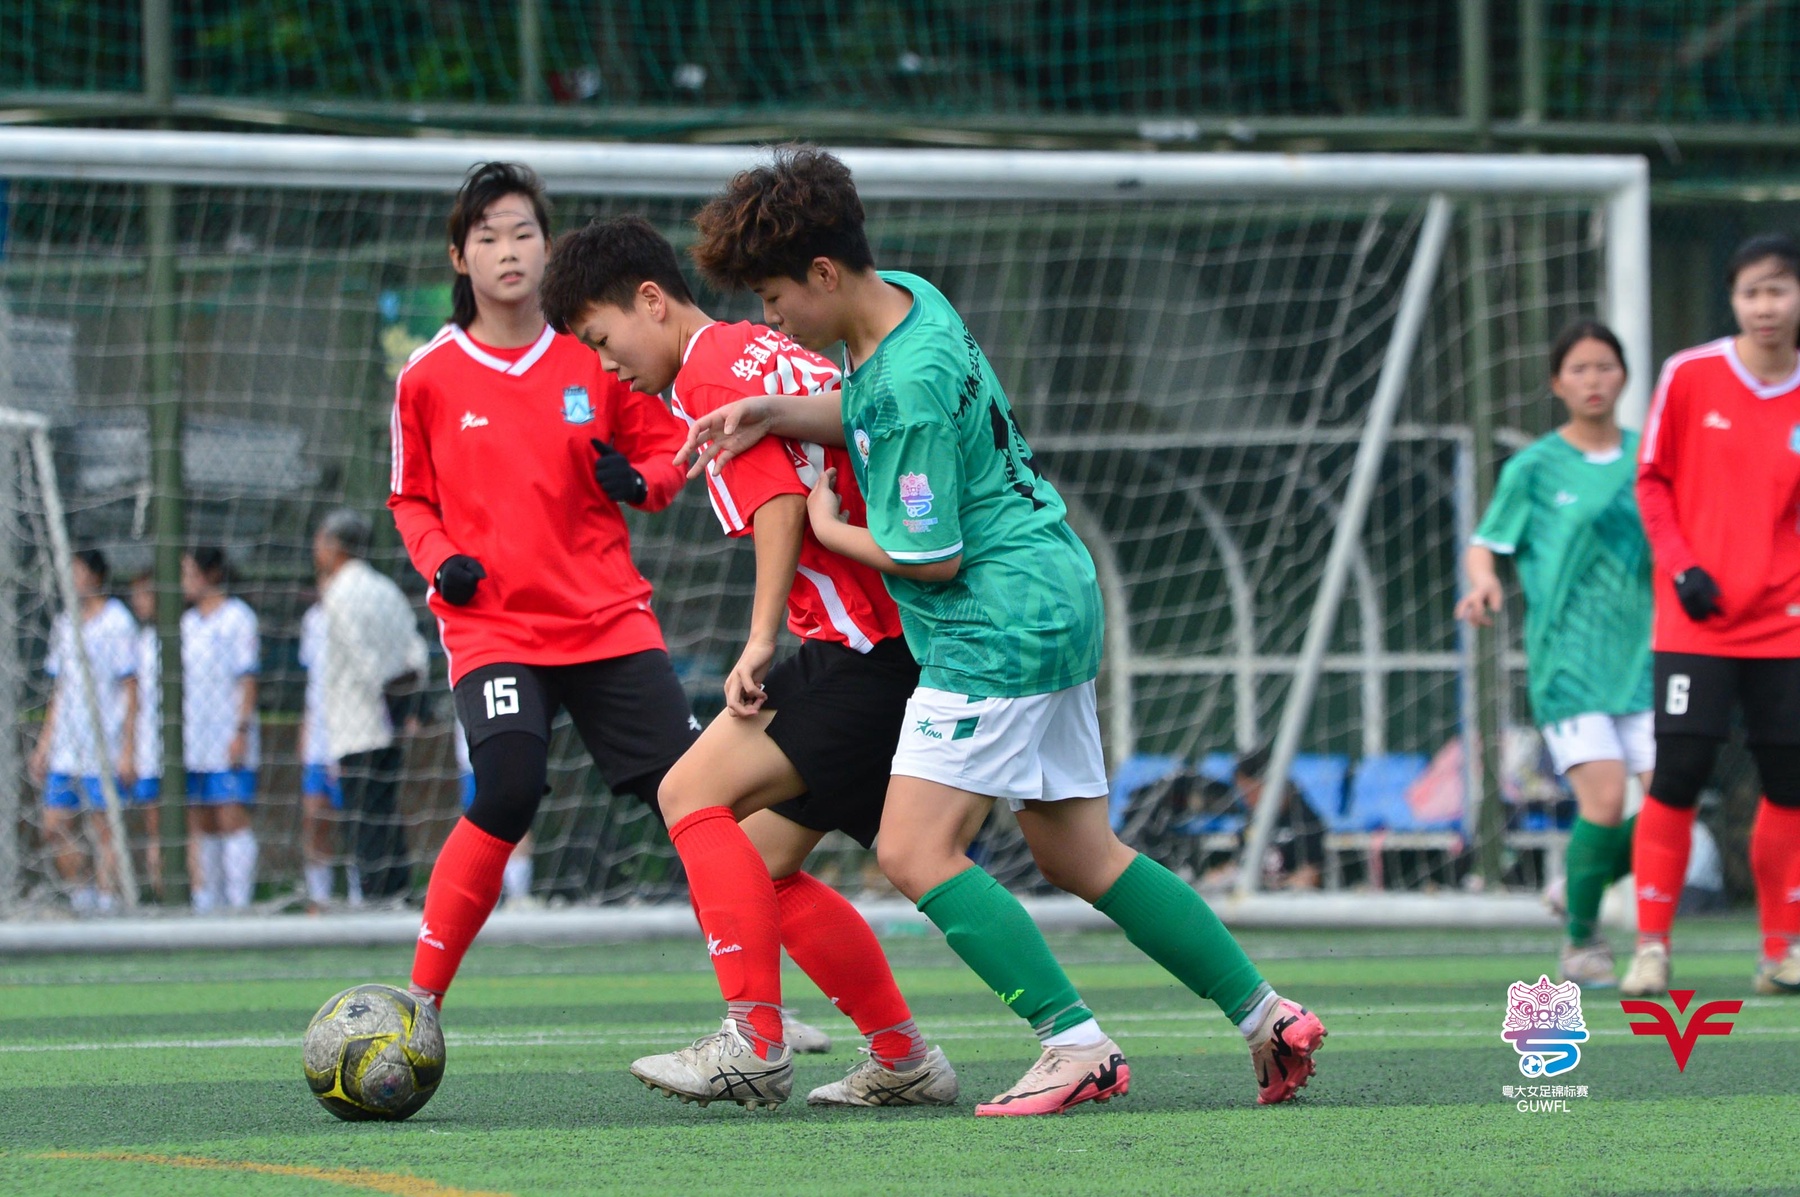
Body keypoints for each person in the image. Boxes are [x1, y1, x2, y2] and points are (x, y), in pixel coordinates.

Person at [675, 145, 1326, 1114]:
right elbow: (861, 408)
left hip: (996, 624)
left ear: (821, 273)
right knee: (1079, 853)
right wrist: (776, 407)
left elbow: (929, 556)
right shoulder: (909, 298)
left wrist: (824, 525)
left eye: (773, 296)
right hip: (1056, 588)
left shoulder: (907, 387)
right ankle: (1266, 1014)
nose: (769, 319)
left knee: (913, 851)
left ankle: (1074, 1046)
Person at [540, 215, 959, 1109]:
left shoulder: (708, 371)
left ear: (651, 301)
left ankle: (752, 1042)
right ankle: (903, 1055)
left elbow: (778, 504)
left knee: (686, 794)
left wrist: (761, 637)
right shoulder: (752, 348)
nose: (604, 364)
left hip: (866, 651)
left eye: (601, 338)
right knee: (765, 863)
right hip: (886, 643)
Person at [389, 161, 701, 1011]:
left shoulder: (597, 354)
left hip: (607, 618)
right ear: (460, 258)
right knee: (509, 787)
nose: (508, 250)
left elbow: (669, 446)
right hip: (493, 629)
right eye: (486, 236)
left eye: (523, 231)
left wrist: (643, 483)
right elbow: (409, 497)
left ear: (549, 245)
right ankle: (419, 1005)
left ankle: (764, 1004)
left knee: (700, 795)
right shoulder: (427, 375)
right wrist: (439, 557)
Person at [1629, 232, 1800, 998]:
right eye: (1751, 291)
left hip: (1788, 622)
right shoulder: (1690, 374)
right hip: (1697, 620)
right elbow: (1652, 480)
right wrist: (1685, 566)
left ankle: (1781, 948)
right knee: (1680, 771)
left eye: (1780, 289)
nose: (1766, 305)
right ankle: (1652, 947)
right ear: (1733, 300)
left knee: (1789, 780)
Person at [1455, 320, 1651, 988]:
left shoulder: (1652, 455)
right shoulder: (1535, 466)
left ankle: (1579, 881)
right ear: (1556, 383)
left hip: (1650, 659)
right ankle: (1583, 941)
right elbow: (1486, 542)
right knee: (1601, 802)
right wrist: (1483, 580)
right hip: (1568, 663)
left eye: (1605, 366)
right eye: (1579, 369)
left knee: (1668, 809)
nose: (1593, 380)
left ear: (1623, 375)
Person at [315, 509, 428, 903]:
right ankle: (397, 888)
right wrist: (407, 702)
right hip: (388, 720)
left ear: (335, 546)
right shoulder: (386, 589)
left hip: (357, 721)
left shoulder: (339, 594)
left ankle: (378, 895)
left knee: (363, 816)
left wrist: (383, 690)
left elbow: (362, 657)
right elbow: (414, 650)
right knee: (386, 807)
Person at [29, 549, 139, 913]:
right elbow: (59, 690)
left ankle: (108, 907)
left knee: (104, 829)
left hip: (104, 744)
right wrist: (45, 744)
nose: (69, 577)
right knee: (53, 824)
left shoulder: (118, 622)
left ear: (94, 575)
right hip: (66, 746)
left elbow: (131, 688)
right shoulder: (65, 623)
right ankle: (83, 898)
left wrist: (128, 748)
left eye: (75, 570)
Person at [181, 546, 260, 911]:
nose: (183, 581)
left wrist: (240, 731)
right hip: (192, 737)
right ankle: (206, 903)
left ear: (211, 574)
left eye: (189, 572)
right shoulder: (185, 623)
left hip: (227, 735)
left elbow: (248, 679)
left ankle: (239, 903)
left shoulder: (238, 617)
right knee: (201, 819)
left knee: (231, 815)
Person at [297, 600, 348, 911]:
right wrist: (305, 728)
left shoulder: (358, 607)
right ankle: (318, 900)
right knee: (314, 815)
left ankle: (363, 898)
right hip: (318, 735)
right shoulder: (312, 617)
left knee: (355, 818)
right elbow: (310, 681)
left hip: (355, 729)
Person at [1227, 746, 1325, 892]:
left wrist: (1279, 886)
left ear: (1265, 783)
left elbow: (1311, 875)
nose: (1244, 798)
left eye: (1247, 791)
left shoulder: (1304, 818)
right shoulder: (1251, 818)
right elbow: (1239, 865)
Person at [127, 571, 165, 897]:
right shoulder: (140, 641)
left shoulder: (187, 632)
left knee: (191, 828)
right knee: (155, 832)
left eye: (144, 593)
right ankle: (162, 898)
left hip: (190, 751)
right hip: (148, 749)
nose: (137, 602)